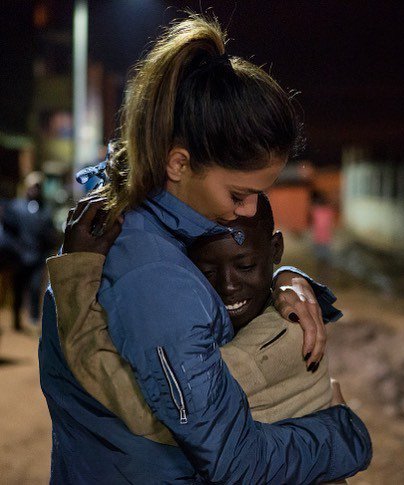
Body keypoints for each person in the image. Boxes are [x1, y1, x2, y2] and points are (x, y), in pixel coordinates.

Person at [39, 15, 371, 483]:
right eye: (238, 195)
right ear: (179, 163)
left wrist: (280, 276)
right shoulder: (154, 277)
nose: (248, 210)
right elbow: (233, 460)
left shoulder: (152, 227)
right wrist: (344, 438)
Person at [2, 172, 58, 331]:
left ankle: (33, 319)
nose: (35, 190)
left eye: (38, 187)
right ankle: (16, 320)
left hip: (38, 257)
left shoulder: (45, 210)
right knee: (18, 289)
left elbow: (50, 234)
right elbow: (8, 231)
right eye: (33, 186)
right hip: (19, 257)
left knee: (35, 288)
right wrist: (15, 249)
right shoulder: (16, 207)